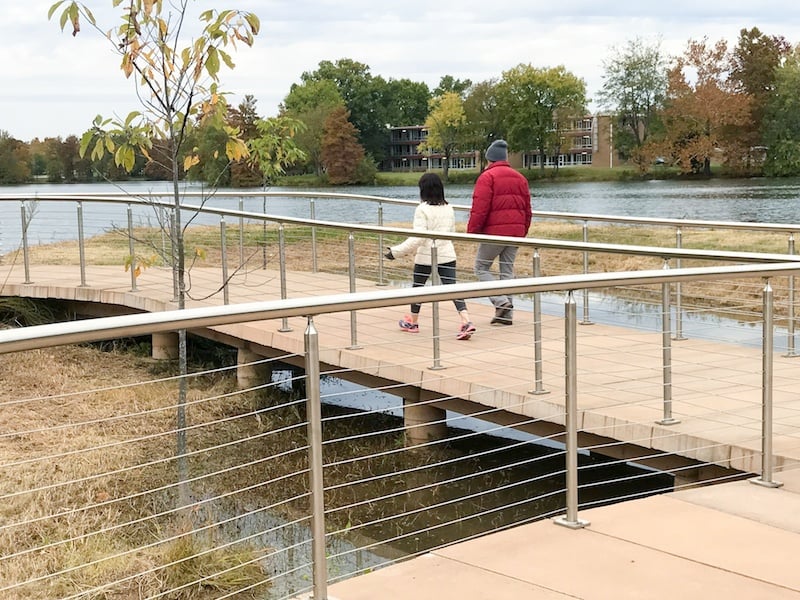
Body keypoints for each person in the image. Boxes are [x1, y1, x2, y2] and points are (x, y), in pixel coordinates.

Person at [384, 172, 476, 340]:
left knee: (418, 288)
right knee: (452, 288)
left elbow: (418, 238)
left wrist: (395, 252)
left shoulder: (422, 209)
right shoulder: (449, 207)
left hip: (426, 255)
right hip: (447, 253)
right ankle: (466, 320)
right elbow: (452, 233)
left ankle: (413, 322)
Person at [467, 139, 532, 326]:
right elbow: (528, 209)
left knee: (481, 268)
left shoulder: (487, 177)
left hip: (494, 233)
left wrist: (473, 230)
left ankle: (500, 301)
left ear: (490, 159)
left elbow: (480, 207)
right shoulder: (520, 178)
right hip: (515, 232)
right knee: (507, 271)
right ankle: (506, 315)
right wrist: (523, 230)